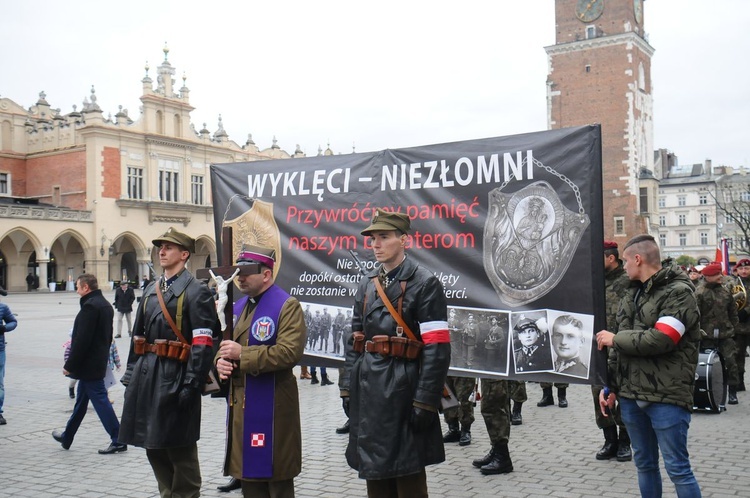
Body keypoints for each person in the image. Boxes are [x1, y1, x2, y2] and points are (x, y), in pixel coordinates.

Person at [341, 208, 451, 497]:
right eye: (372, 238)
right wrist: (346, 390)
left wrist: (425, 402)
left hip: (404, 391)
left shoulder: (425, 283)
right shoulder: (367, 283)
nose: (375, 244)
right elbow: (354, 339)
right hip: (369, 391)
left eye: (384, 237)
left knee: (407, 477)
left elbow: (437, 348)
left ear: (404, 240)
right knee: (375, 477)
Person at [596, 234, 702, 497]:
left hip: (666, 395)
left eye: (626, 260)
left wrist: (615, 339)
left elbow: (663, 338)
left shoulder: (680, 292)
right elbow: (618, 349)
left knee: (678, 469)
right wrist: (609, 386)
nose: (624, 265)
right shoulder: (632, 293)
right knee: (644, 465)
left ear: (637, 259)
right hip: (631, 395)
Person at [119, 227, 220, 498]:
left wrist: (192, 382)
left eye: (169, 247)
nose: (161, 251)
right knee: (153, 443)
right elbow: (137, 336)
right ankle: (168, 493)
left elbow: (203, 342)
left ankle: (185, 494)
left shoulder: (197, 291)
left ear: (184, 254)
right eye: (160, 247)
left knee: (179, 447)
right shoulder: (152, 288)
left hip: (177, 375)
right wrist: (130, 375)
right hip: (147, 374)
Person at [215, 245, 306, 497]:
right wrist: (219, 362)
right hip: (242, 406)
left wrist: (241, 355)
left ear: (266, 274)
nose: (239, 278)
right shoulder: (237, 306)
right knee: (250, 480)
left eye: (245, 272)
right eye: (237, 272)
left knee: (276, 481)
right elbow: (224, 347)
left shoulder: (287, 305)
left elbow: (289, 353)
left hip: (273, 405)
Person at [50, 274, 125, 453]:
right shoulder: (105, 304)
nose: (76, 290)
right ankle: (67, 436)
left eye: (77, 286)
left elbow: (82, 340)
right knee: (81, 402)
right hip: (97, 361)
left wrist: (69, 365)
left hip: (89, 365)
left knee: (100, 400)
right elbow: (108, 336)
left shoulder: (90, 307)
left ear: (85, 288)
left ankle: (118, 439)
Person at [593, 240, 631, 462]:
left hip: (622, 345)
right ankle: (610, 440)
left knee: (624, 394)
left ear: (611, 258)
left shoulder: (628, 282)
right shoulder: (594, 282)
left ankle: (625, 440)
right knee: (599, 393)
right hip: (598, 346)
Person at [695, 262, 740, 404]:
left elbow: (733, 312)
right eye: (716, 274)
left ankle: (732, 392)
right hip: (706, 336)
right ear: (707, 276)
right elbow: (695, 315)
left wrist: (734, 328)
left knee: (731, 362)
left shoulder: (726, 291)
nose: (720, 276)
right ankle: (708, 391)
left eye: (720, 273)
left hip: (725, 335)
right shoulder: (699, 293)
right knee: (707, 366)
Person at [471, 379, 515, 475]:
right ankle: (496, 450)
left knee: (494, 408)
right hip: (490, 372)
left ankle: (502, 456)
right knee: (490, 407)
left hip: (495, 372)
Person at [0, 285, 18, 425]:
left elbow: (13, 322)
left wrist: (4, 328)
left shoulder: (3, 308)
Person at [441, 375, 475, 446]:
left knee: (464, 398)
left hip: (463, 368)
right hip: (447, 367)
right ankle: (453, 429)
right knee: (447, 395)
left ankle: (465, 430)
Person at [734, 258, 750, 392]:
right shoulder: (733, 284)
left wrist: (747, 310)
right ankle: (739, 382)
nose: (744, 271)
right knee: (738, 354)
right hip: (740, 326)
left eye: (747, 268)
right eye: (741, 269)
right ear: (737, 271)